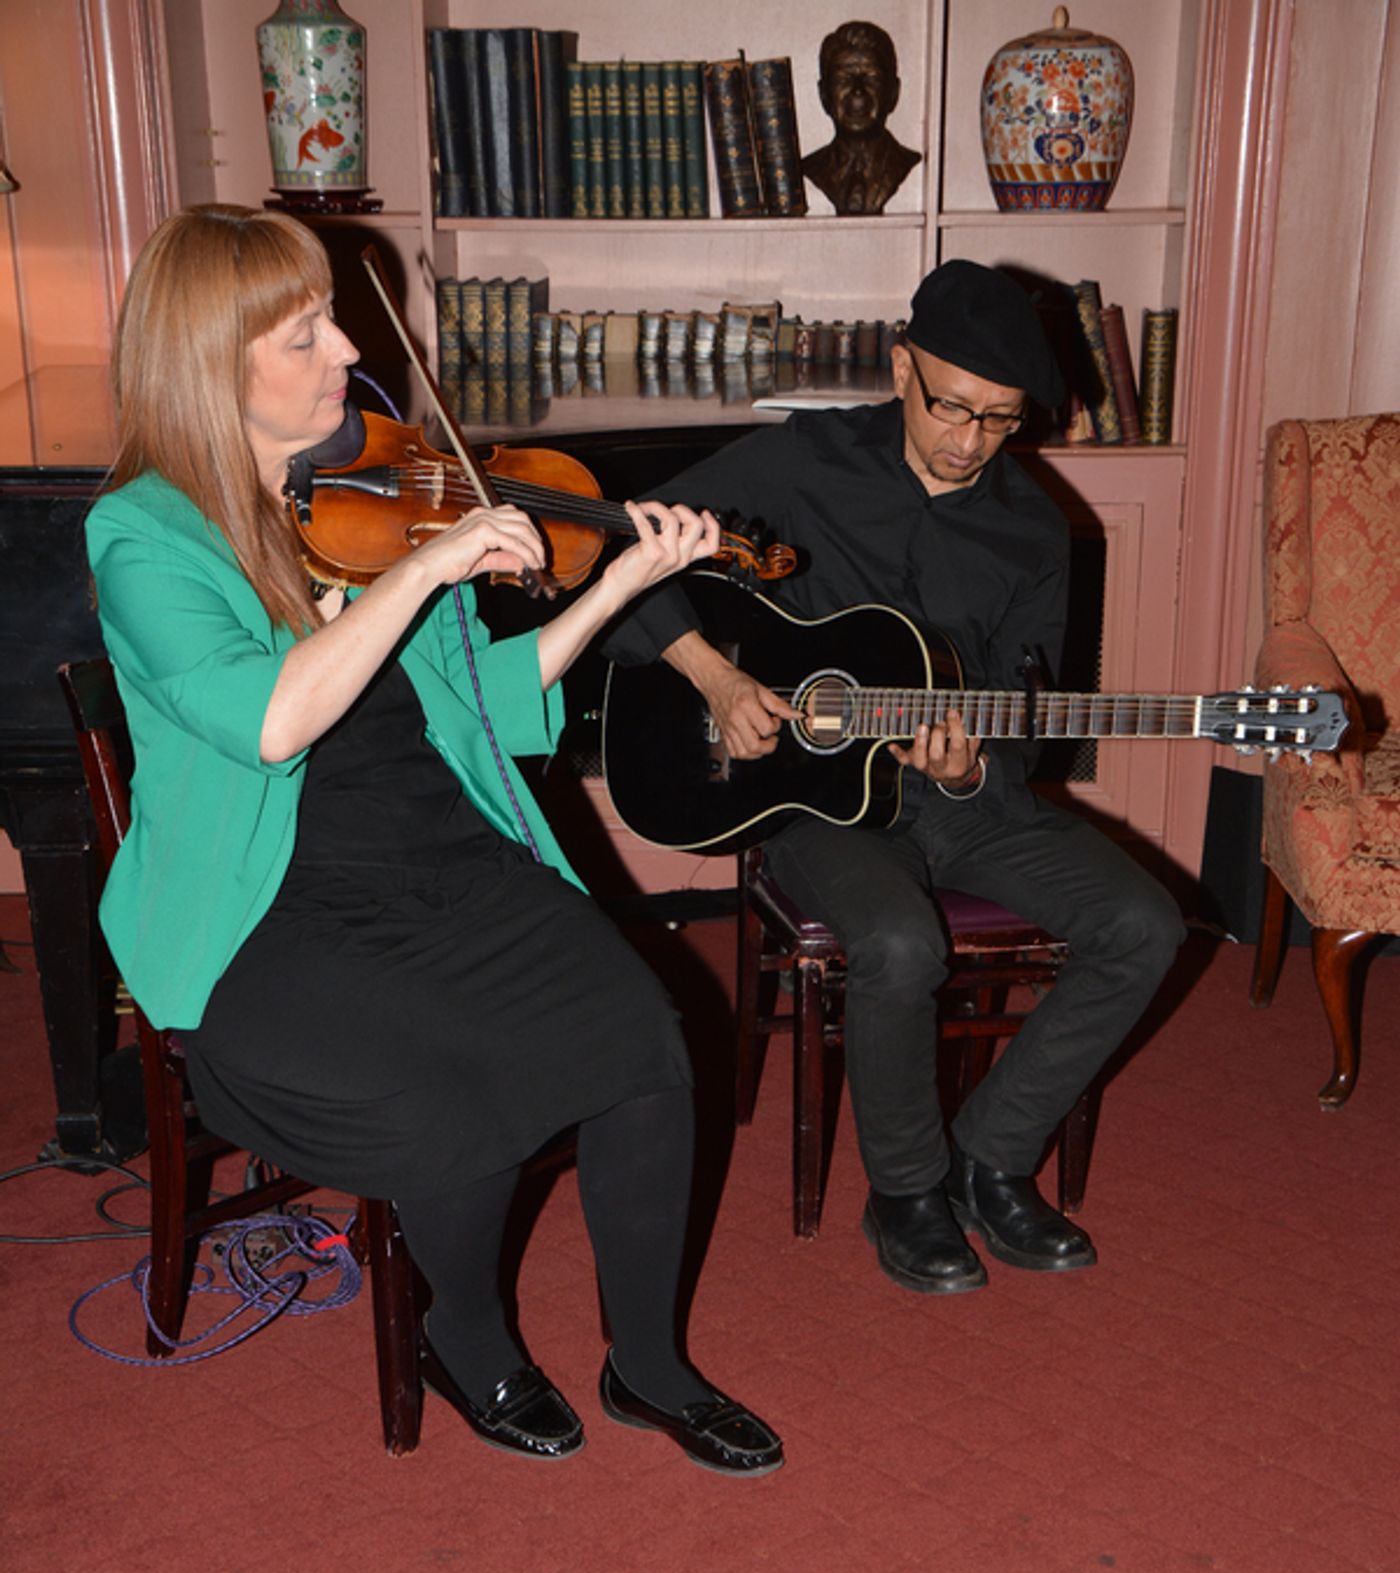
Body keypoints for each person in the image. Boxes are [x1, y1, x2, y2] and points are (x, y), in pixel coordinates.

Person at [85, 203, 783, 1474]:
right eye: (304, 334)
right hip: (269, 914)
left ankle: (649, 1365)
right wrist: (425, 570)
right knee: (444, 1103)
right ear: (210, 364)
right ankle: (465, 1339)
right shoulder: (142, 537)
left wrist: (615, 587)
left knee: (643, 1043)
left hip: (441, 858)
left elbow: (487, 707)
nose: (349, 348)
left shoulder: (360, 497)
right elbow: (271, 721)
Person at [603, 259, 1185, 1295]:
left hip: (963, 802)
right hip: (809, 794)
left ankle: (992, 1158)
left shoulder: (1034, 529)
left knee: (1145, 924)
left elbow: (1022, 711)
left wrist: (973, 764)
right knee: (898, 940)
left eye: (998, 421)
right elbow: (632, 542)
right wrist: (712, 671)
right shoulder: (798, 463)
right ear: (899, 364)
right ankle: (905, 1190)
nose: (967, 441)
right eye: (948, 405)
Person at [800, 20, 922, 217]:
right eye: (843, 79)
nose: (858, 91)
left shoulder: (906, 163)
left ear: (893, 94)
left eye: (871, 78)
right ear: (824, 95)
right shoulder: (813, 168)